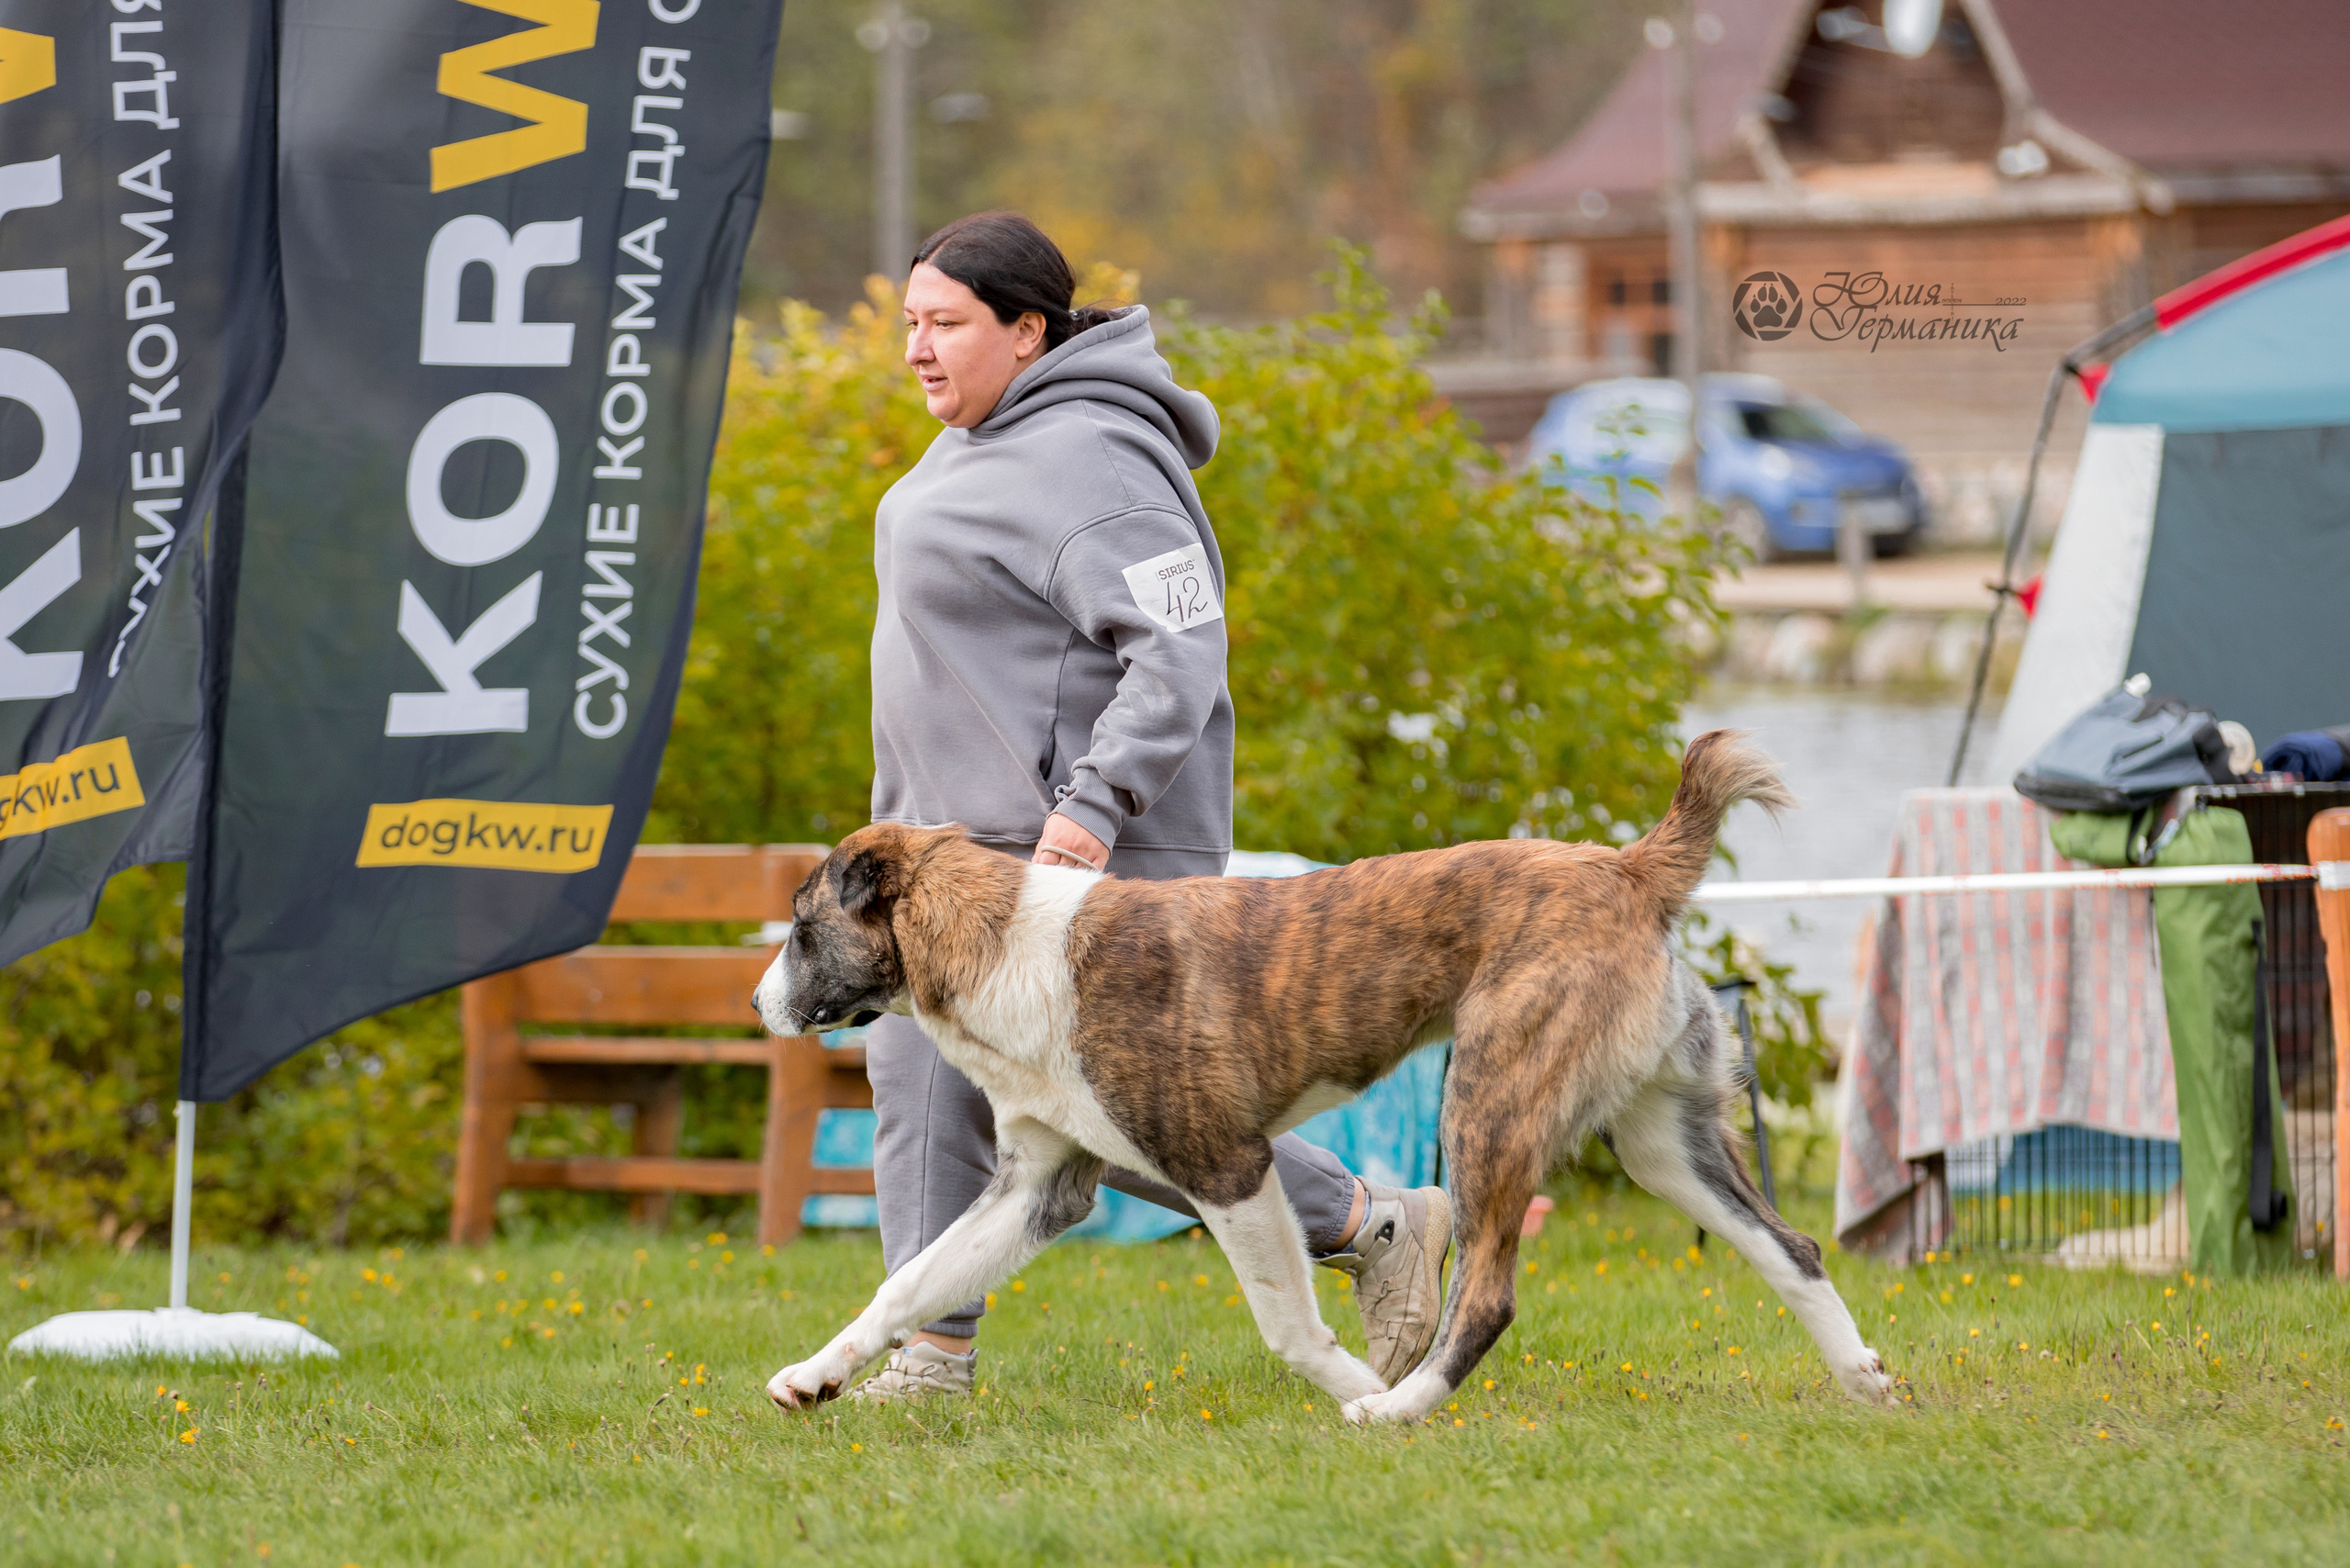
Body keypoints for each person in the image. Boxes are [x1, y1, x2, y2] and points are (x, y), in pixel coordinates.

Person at [846, 210, 1451, 1402]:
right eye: (910, 323)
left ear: (1027, 330)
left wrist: (1092, 808)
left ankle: (930, 1355)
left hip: (1067, 853)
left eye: (946, 324)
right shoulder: (978, 437)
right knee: (983, 1086)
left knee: (1098, 1106)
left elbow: (1180, 646)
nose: (918, 348)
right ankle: (1369, 1223)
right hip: (954, 856)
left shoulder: (1091, 456)